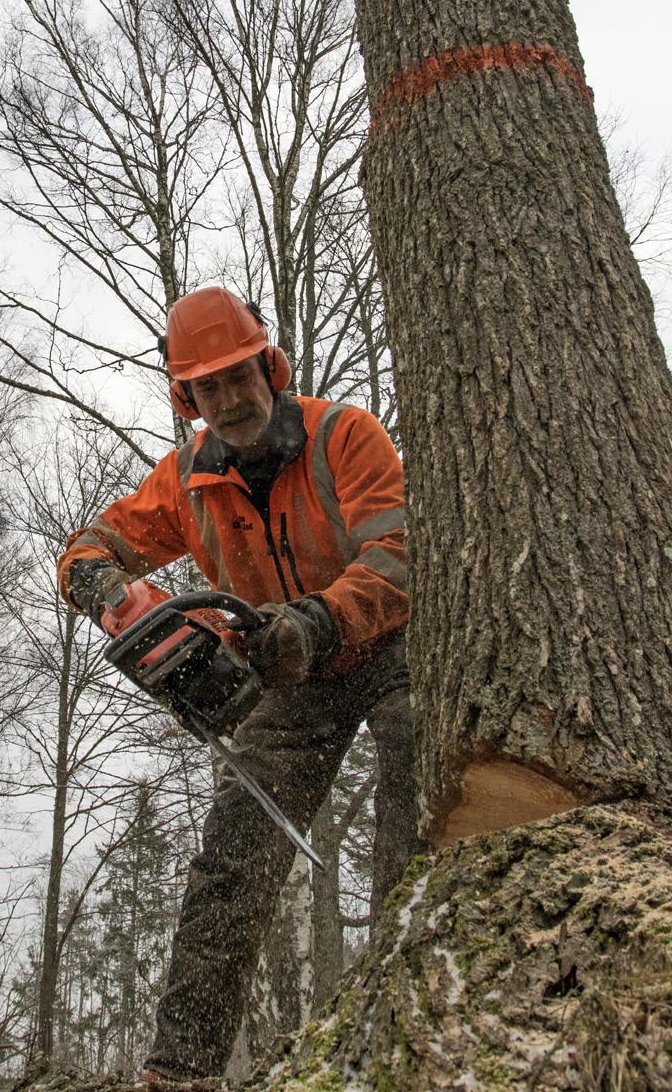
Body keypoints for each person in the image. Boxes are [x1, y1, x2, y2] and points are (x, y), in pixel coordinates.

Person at [57, 286, 419, 1082]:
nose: (227, 399)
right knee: (231, 858)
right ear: (188, 397)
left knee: (416, 769)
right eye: (207, 388)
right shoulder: (185, 478)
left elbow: (398, 555)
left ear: (268, 366)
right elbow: (89, 546)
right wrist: (113, 596)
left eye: (236, 378)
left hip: (386, 649)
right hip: (285, 680)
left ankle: (413, 990)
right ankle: (181, 1067)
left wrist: (314, 622)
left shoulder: (342, 435)